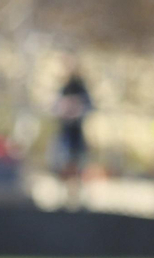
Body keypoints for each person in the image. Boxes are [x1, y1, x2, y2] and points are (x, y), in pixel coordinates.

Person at [51, 58, 92, 209]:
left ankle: (75, 198)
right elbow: (55, 108)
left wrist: (77, 109)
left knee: (77, 165)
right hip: (64, 134)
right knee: (63, 165)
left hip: (76, 134)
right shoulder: (63, 89)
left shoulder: (81, 89)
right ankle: (62, 197)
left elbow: (88, 107)